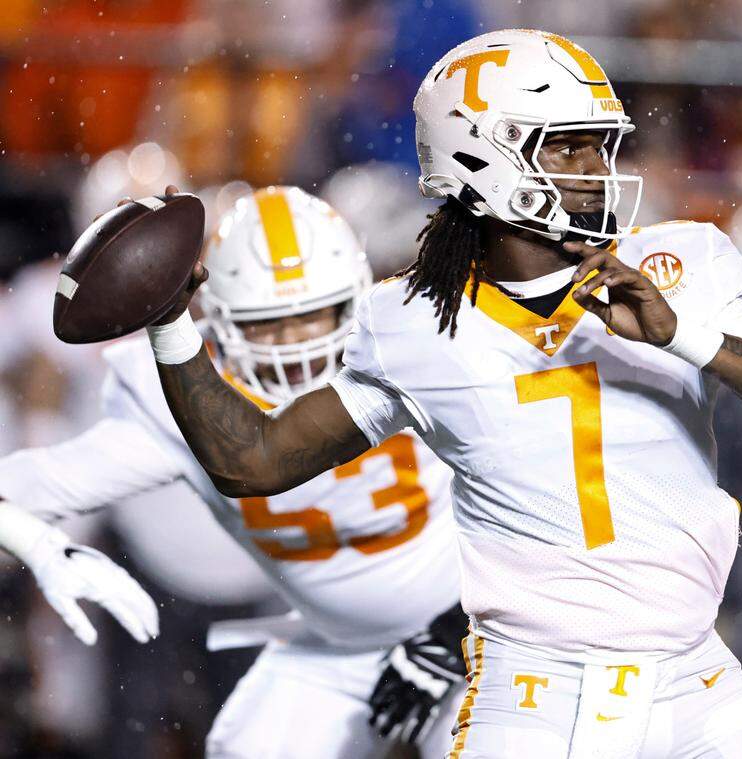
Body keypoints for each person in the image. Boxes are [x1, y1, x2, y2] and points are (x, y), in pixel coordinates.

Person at [141, 30, 742, 757]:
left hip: (695, 678)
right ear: (479, 156)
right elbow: (256, 461)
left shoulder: (675, 263)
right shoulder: (410, 324)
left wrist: (687, 336)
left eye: (599, 147)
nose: (596, 170)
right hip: (531, 695)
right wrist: (171, 323)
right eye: (567, 147)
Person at [0, 186, 465, 758]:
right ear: (215, 320)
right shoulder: (178, 401)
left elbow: (549, 503)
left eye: (314, 315)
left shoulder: (427, 349)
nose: (295, 346)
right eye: (267, 323)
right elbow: (19, 493)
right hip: (335, 644)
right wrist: (43, 548)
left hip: (484, 619)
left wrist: (453, 632)